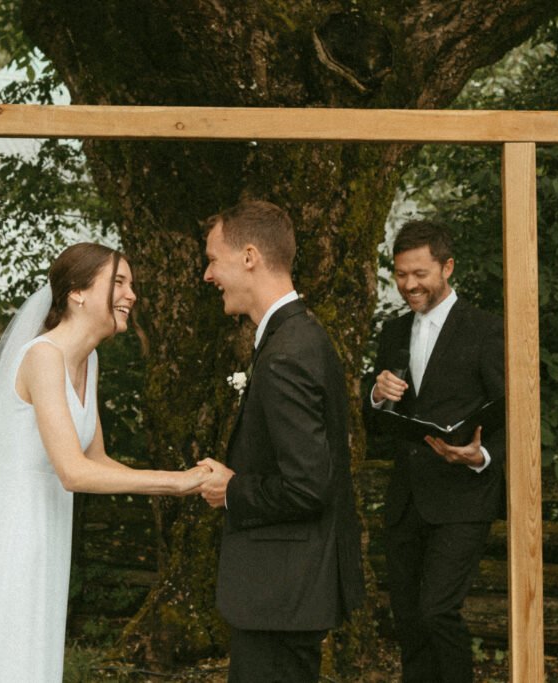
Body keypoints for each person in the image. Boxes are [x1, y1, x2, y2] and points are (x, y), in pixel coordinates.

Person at [0, 243, 211, 682]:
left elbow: (98, 460)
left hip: (47, 528)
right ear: (77, 292)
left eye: (132, 285)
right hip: (11, 531)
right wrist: (179, 483)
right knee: (1, 653)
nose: (132, 295)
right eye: (119, 282)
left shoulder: (87, 361)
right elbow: (73, 472)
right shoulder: (42, 357)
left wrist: (185, 481)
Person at [197, 200, 365, 683]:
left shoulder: (287, 353)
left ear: (249, 256)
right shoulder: (297, 337)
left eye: (212, 259)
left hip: (282, 593)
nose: (208, 275)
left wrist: (231, 489)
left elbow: (309, 486)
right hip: (287, 591)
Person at [367, 219, 505, 683]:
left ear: (447, 267)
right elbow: (376, 422)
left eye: (419, 274)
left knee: (437, 612)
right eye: (401, 274)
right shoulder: (392, 331)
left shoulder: (487, 329)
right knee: (408, 620)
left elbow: (514, 411)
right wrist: (376, 393)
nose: (409, 285)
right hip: (406, 501)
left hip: (464, 497)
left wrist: (482, 456)